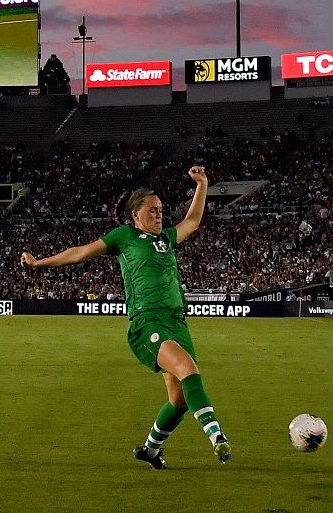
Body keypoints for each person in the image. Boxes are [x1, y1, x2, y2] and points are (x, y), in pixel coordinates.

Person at [22, 166, 232, 468]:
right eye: (152, 211)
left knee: (180, 401)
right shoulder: (125, 237)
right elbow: (81, 252)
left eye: (160, 210)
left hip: (177, 322)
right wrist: (40, 263)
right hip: (147, 324)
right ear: (135, 216)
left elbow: (193, 221)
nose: (159, 215)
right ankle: (217, 437)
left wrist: (203, 184)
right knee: (188, 369)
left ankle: (150, 451)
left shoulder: (167, 239)